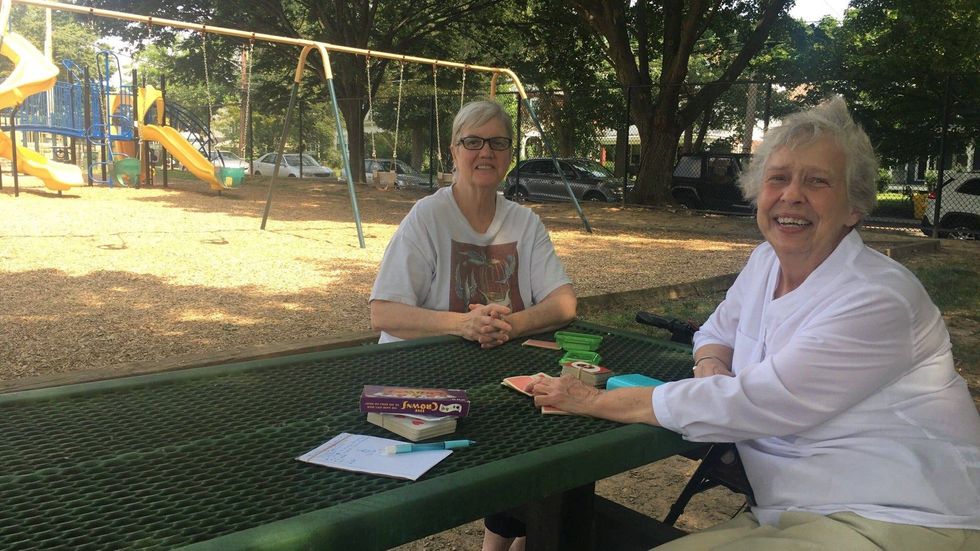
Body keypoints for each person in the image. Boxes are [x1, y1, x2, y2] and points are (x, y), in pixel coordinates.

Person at [528, 97, 980, 550]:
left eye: (817, 182)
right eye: (778, 178)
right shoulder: (767, 261)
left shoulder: (876, 298)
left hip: (904, 520)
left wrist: (592, 399)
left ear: (854, 207)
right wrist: (710, 371)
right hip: (791, 513)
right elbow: (715, 333)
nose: (792, 195)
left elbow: (750, 402)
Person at [370, 99, 577, 551]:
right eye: (473, 142)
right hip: (419, 378)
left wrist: (507, 325)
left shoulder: (525, 221)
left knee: (542, 442)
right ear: (453, 150)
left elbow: (564, 304)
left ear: (508, 154)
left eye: (498, 143)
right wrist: (464, 324)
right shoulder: (427, 216)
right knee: (514, 444)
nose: (486, 152)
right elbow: (384, 313)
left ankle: (511, 541)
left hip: (490, 373)